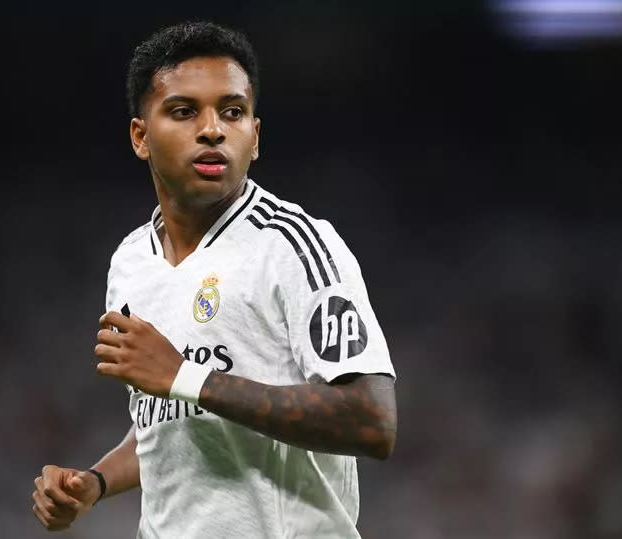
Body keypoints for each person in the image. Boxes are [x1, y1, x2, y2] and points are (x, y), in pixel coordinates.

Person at [31, 21, 397, 538]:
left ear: (255, 136)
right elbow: (170, 424)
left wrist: (186, 377)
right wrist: (94, 482)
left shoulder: (293, 246)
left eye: (232, 111)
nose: (212, 129)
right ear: (140, 136)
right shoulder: (132, 261)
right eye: (184, 111)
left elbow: (371, 421)